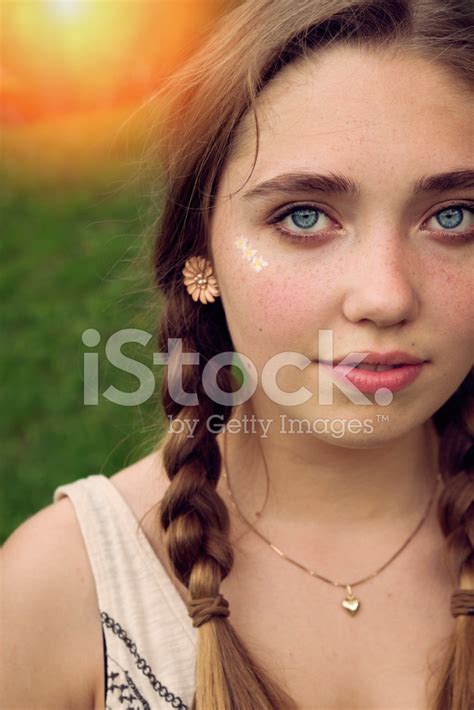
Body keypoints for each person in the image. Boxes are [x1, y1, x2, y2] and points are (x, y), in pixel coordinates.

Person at [2, 0, 473, 708]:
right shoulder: (60, 592)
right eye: (304, 216)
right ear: (202, 253)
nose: (385, 296)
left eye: (453, 216)